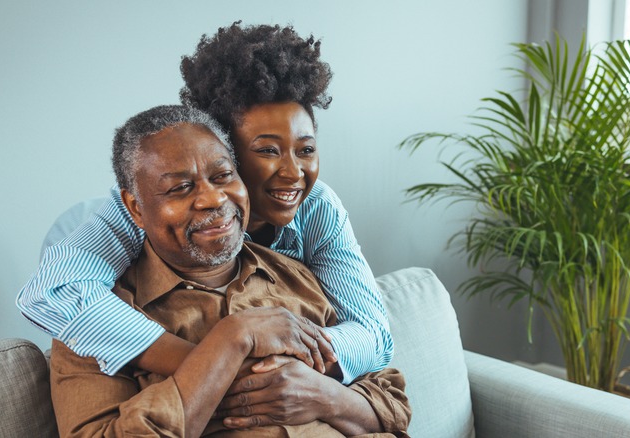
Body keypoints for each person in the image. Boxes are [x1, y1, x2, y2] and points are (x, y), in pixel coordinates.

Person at [18, 22, 391, 389]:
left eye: (306, 150)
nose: (293, 173)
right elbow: (52, 290)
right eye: (267, 151)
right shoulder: (141, 210)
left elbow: (374, 334)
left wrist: (290, 371)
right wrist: (217, 366)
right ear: (222, 150)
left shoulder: (318, 206)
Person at [50, 104, 410, 437]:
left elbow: (393, 405)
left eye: (223, 176)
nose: (213, 199)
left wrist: (322, 395)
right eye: (180, 187)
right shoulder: (91, 323)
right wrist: (232, 340)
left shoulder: (295, 273)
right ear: (135, 208)